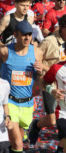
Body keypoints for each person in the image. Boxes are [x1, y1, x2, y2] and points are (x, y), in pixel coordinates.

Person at [0, 21, 43, 153]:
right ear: (16, 34)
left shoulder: (37, 52)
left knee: (19, 137)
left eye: (29, 35)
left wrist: (40, 72)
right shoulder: (4, 51)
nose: (27, 38)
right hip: (9, 102)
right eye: (24, 35)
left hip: (27, 103)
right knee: (17, 142)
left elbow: (40, 80)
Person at [29, 14, 66, 146]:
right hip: (50, 82)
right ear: (62, 28)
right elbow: (36, 59)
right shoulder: (49, 42)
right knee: (51, 121)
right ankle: (36, 125)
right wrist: (44, 69)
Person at [41, 53, 66, 153]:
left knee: (64, 141)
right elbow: (44, 82)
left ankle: (60, 148)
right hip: (63, 113)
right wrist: (52, 90)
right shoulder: (57, 68)